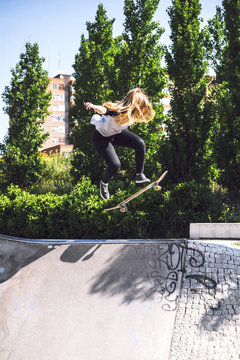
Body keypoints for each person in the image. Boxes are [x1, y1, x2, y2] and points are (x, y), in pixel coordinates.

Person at [85, 88, 155, 200]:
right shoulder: (117, 110)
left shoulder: (130, 114)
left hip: (117, 134)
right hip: (101, 138)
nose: (137, 113)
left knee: (140, 143)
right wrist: (94, 106)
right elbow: (104, 110)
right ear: (134, 105)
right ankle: (104, 183)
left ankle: (139, 175)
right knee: (115, 165)